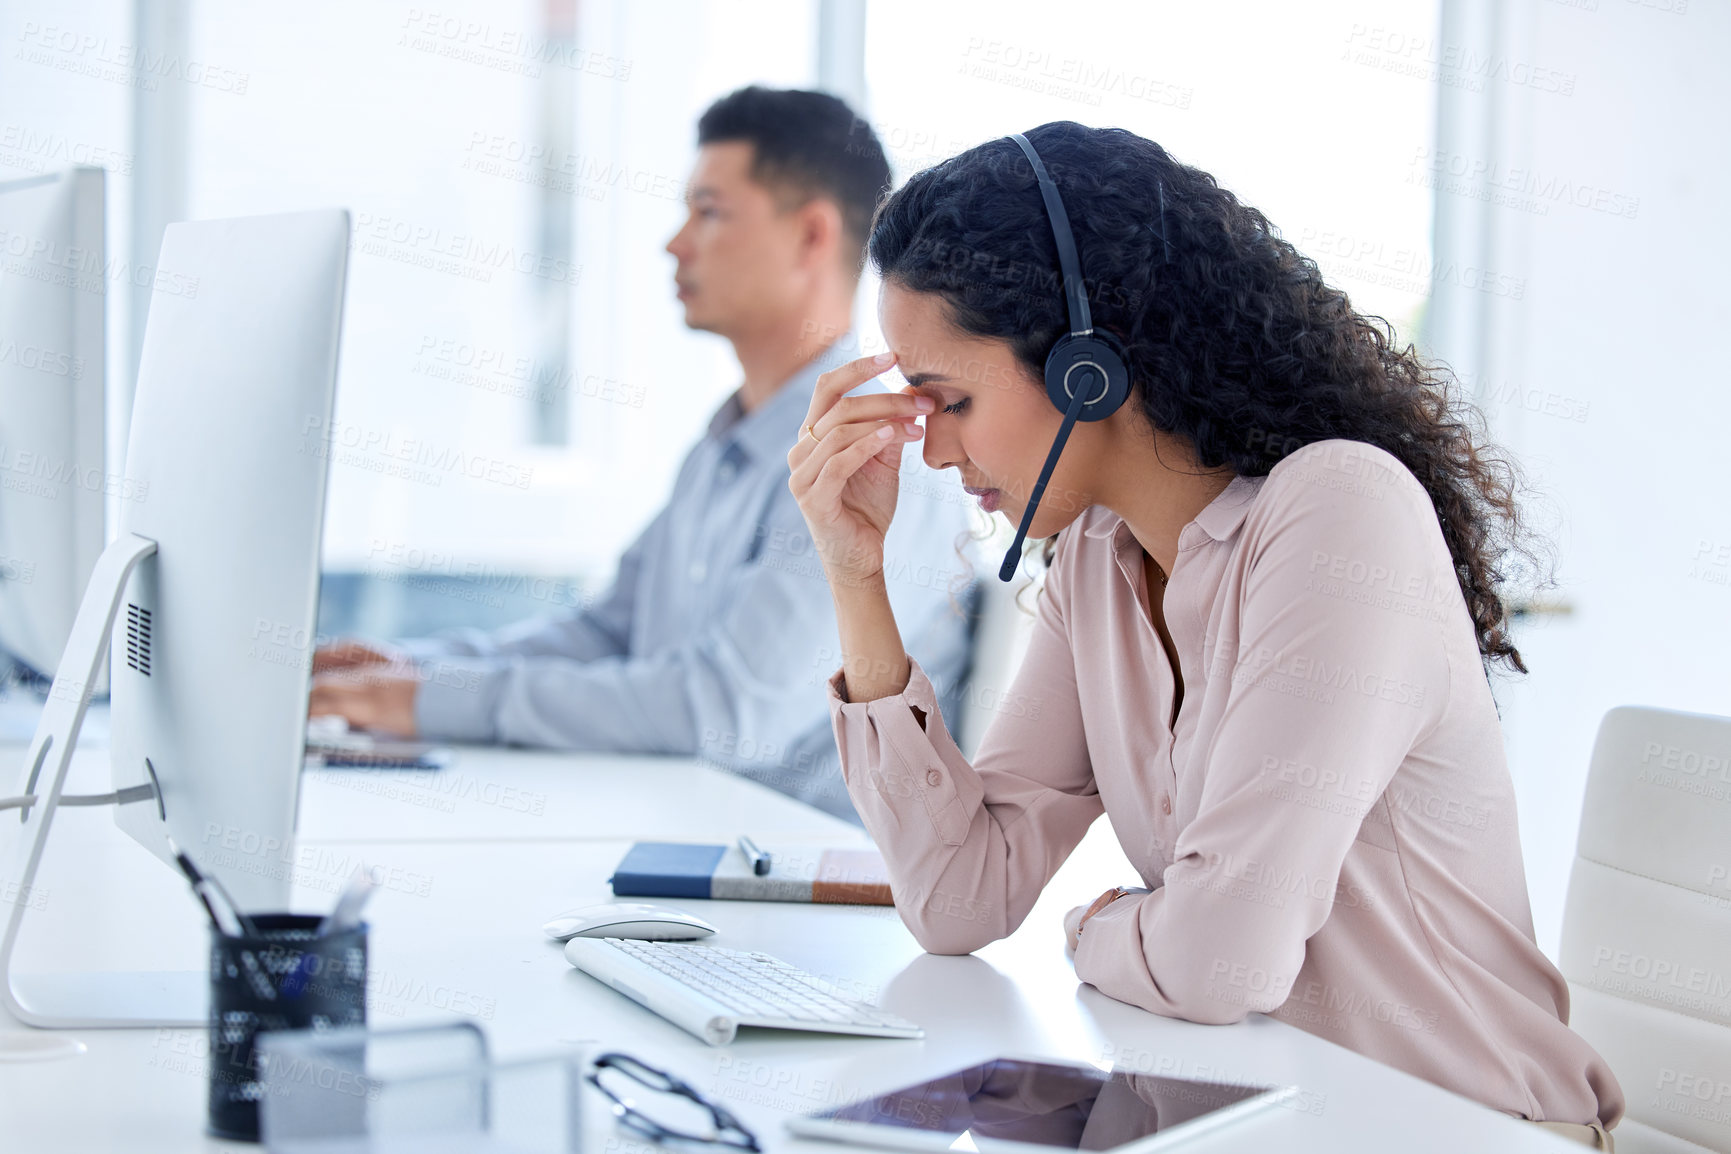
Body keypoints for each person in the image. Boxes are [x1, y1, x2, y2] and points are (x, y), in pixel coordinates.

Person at [787, 121, 1623, 1147]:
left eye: (952, 400)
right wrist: (854, 572)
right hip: (1256, 1113)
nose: (934, 450)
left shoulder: (1338, 511)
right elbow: (960, 896)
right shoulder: (1098, 556)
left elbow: (1223, 960)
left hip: (1464, 1127)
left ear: (1087, 365)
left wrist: (1094, 925)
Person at [309, 87, 976, 821]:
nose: (675, 242)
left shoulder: (875, 453)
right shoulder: (726, 444)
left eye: (709, 211)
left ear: (812, 235)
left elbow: (725, 714)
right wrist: (416, 669)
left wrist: (430, 702)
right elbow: (607, 635)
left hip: (787, 872)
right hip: (680, 826)